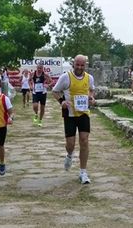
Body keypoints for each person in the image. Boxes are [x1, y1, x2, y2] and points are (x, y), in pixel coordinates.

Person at [52, 54, 95, 184]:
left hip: (83, 113)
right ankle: (69, 155)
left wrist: (91, 98)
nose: (80, 67)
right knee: (70, 144)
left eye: (82, 65)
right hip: (70, 114)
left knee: (84, 140)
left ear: (85, 65)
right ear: (73, 64)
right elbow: (55, 91)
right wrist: (62, 102)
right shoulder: (66, 77)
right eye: (78, 64)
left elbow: (91, 91)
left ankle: (83, 172)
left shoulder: (89, 78)